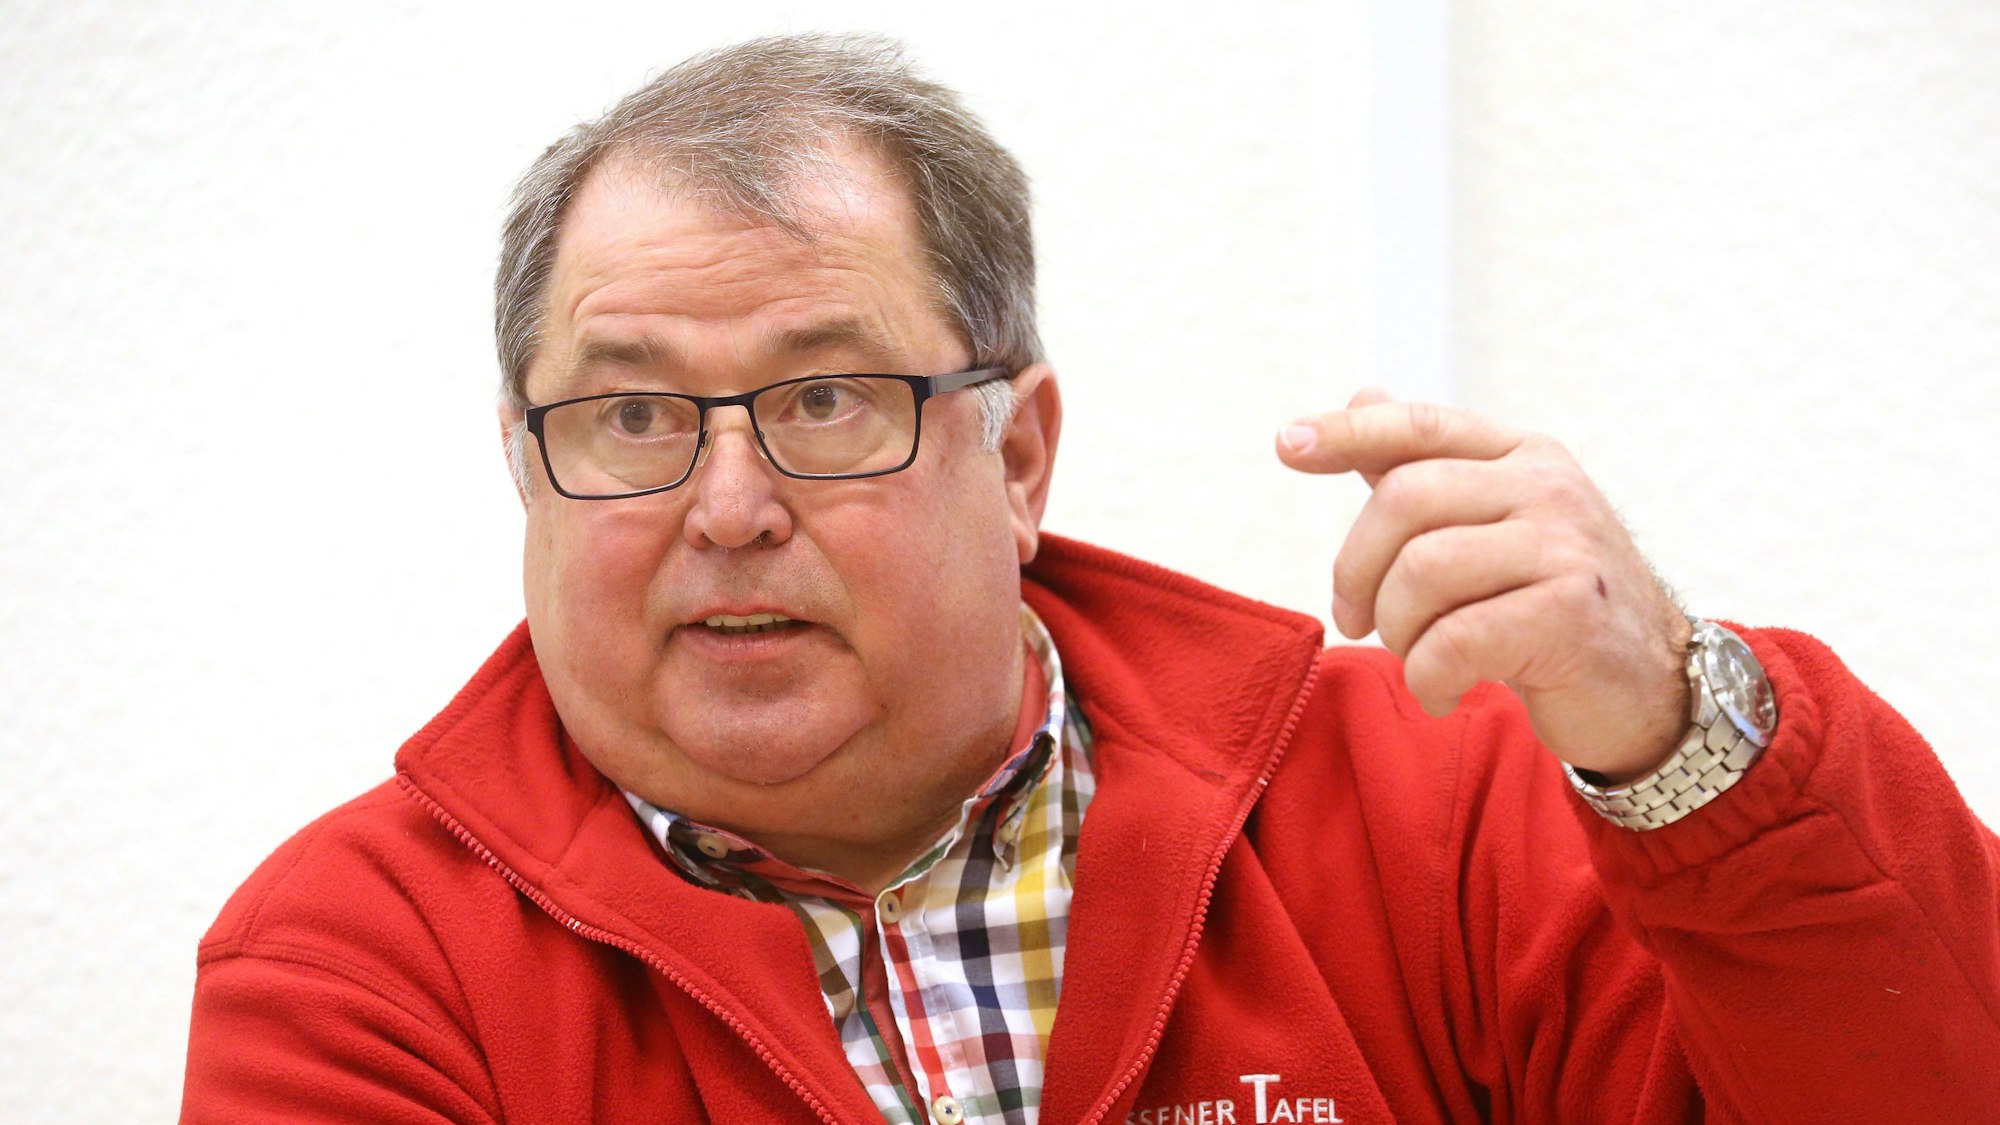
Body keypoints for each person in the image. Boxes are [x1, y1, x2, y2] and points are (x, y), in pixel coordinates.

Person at [180, 33, 1999, 1125]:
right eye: (635, 413)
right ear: (528, 465)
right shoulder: (357, 967)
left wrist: (1688, 735)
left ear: (1022, 454)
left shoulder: (1433, 810)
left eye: (827, 397)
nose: (726, 503)